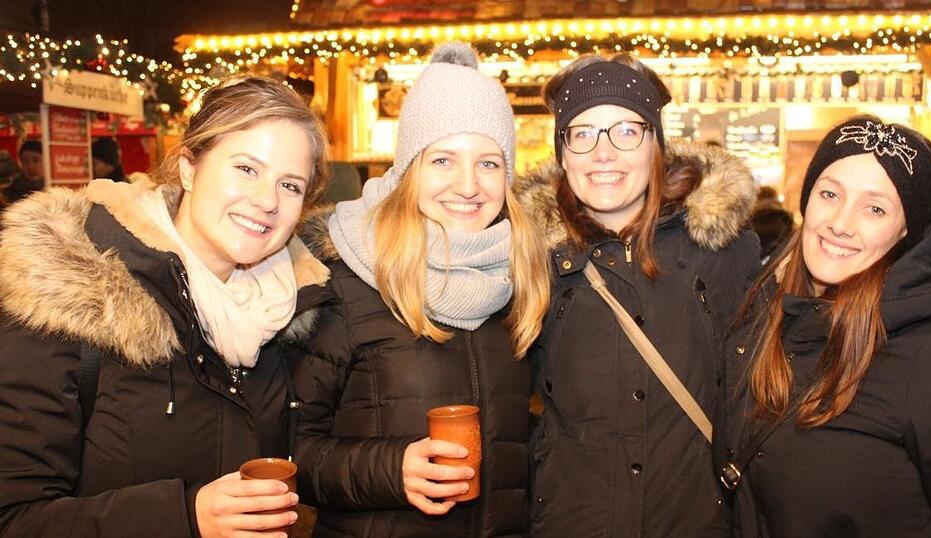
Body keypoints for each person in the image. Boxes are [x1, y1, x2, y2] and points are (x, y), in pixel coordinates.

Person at [0, 76, 331, 537]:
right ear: (189, 168)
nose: (266, 201)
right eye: (246, 168)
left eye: (290, 185)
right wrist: (186, 518)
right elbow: (15, 517)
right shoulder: (69, 298)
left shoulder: (292, 311)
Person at [293, 42, 550, 537]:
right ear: (409, 168)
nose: (468, 185)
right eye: (443, 160)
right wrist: (393, 471)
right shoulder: (346, 280)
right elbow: (288, 448)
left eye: (489, 163)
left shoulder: (520, 279)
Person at [517, 53, 761, 537]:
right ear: (563, 154)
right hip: (572, 523)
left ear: (656, 146)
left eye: (626, 131)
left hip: (693, 522)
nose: (603, 152)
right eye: (583, 133)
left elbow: (762, 393)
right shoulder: (528, 261)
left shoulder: (724, 251)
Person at [723, 116, 931, 537]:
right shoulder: (763, 316)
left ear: (907, 230)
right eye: (830, 194)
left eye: (875, 208)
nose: (841, 223)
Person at [1, 139, 44, 204]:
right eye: (24, 161)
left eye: (36, 160)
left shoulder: (54, 188)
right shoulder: (8, 194)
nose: (30, 166)